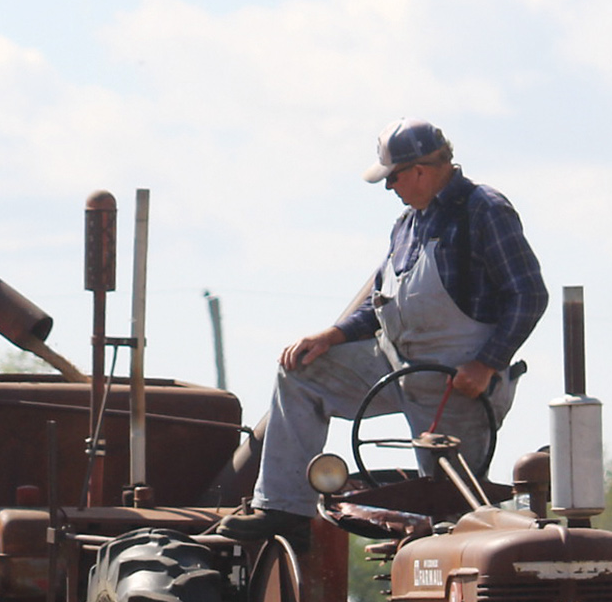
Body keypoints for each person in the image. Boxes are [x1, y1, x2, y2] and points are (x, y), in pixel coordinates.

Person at [216, 119, 549, 542]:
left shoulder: (484, 210)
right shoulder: (407, 226)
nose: (390, 188)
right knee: (300, 372)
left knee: (450, 518)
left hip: (457, 385)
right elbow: (381, 307)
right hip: (395, 365)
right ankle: (284, 510)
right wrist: (331, 337)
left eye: (392, 178)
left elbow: (528, 294)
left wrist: (487, 363)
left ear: (420, 170)